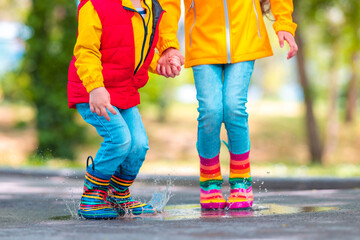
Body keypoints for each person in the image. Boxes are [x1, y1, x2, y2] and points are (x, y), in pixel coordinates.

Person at [157, 0, 298, 209]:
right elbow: (167, 4)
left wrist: (284, 24)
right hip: (203, 41)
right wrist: (168, 43)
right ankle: (209, 182)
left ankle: (241, 182)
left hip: (245, 38)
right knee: (210, 111)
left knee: (234, 108)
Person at [67, 0, 175, 219]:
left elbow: (137, 49)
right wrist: (95, 87)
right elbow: (86, 50)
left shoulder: (150, 8)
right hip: (93, 90)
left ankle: (118, 194)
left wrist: (161, 62)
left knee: (138, 145)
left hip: (123, 91)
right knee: (119, 139)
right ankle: (93, 196)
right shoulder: (96, 5)